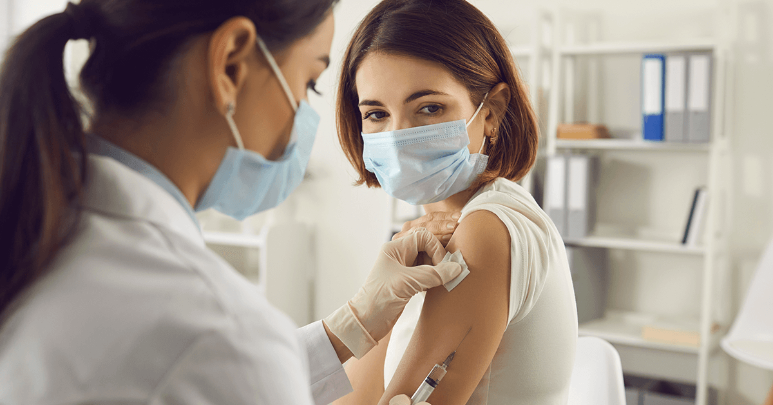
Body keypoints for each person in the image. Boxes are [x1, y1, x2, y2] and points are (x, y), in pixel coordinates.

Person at [0, 1, 462, 404]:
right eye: (309, 83)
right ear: (231, 65)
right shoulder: (218, 332)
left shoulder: (36, 229)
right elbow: (223, 367)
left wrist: (354, 321)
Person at [334, 1, 578, 404]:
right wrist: (374, 305)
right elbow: (353, 399)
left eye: (429, 108)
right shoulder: (424, 238)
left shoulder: (488, 228)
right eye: (376, 113)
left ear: (492, 113)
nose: (397, 136)